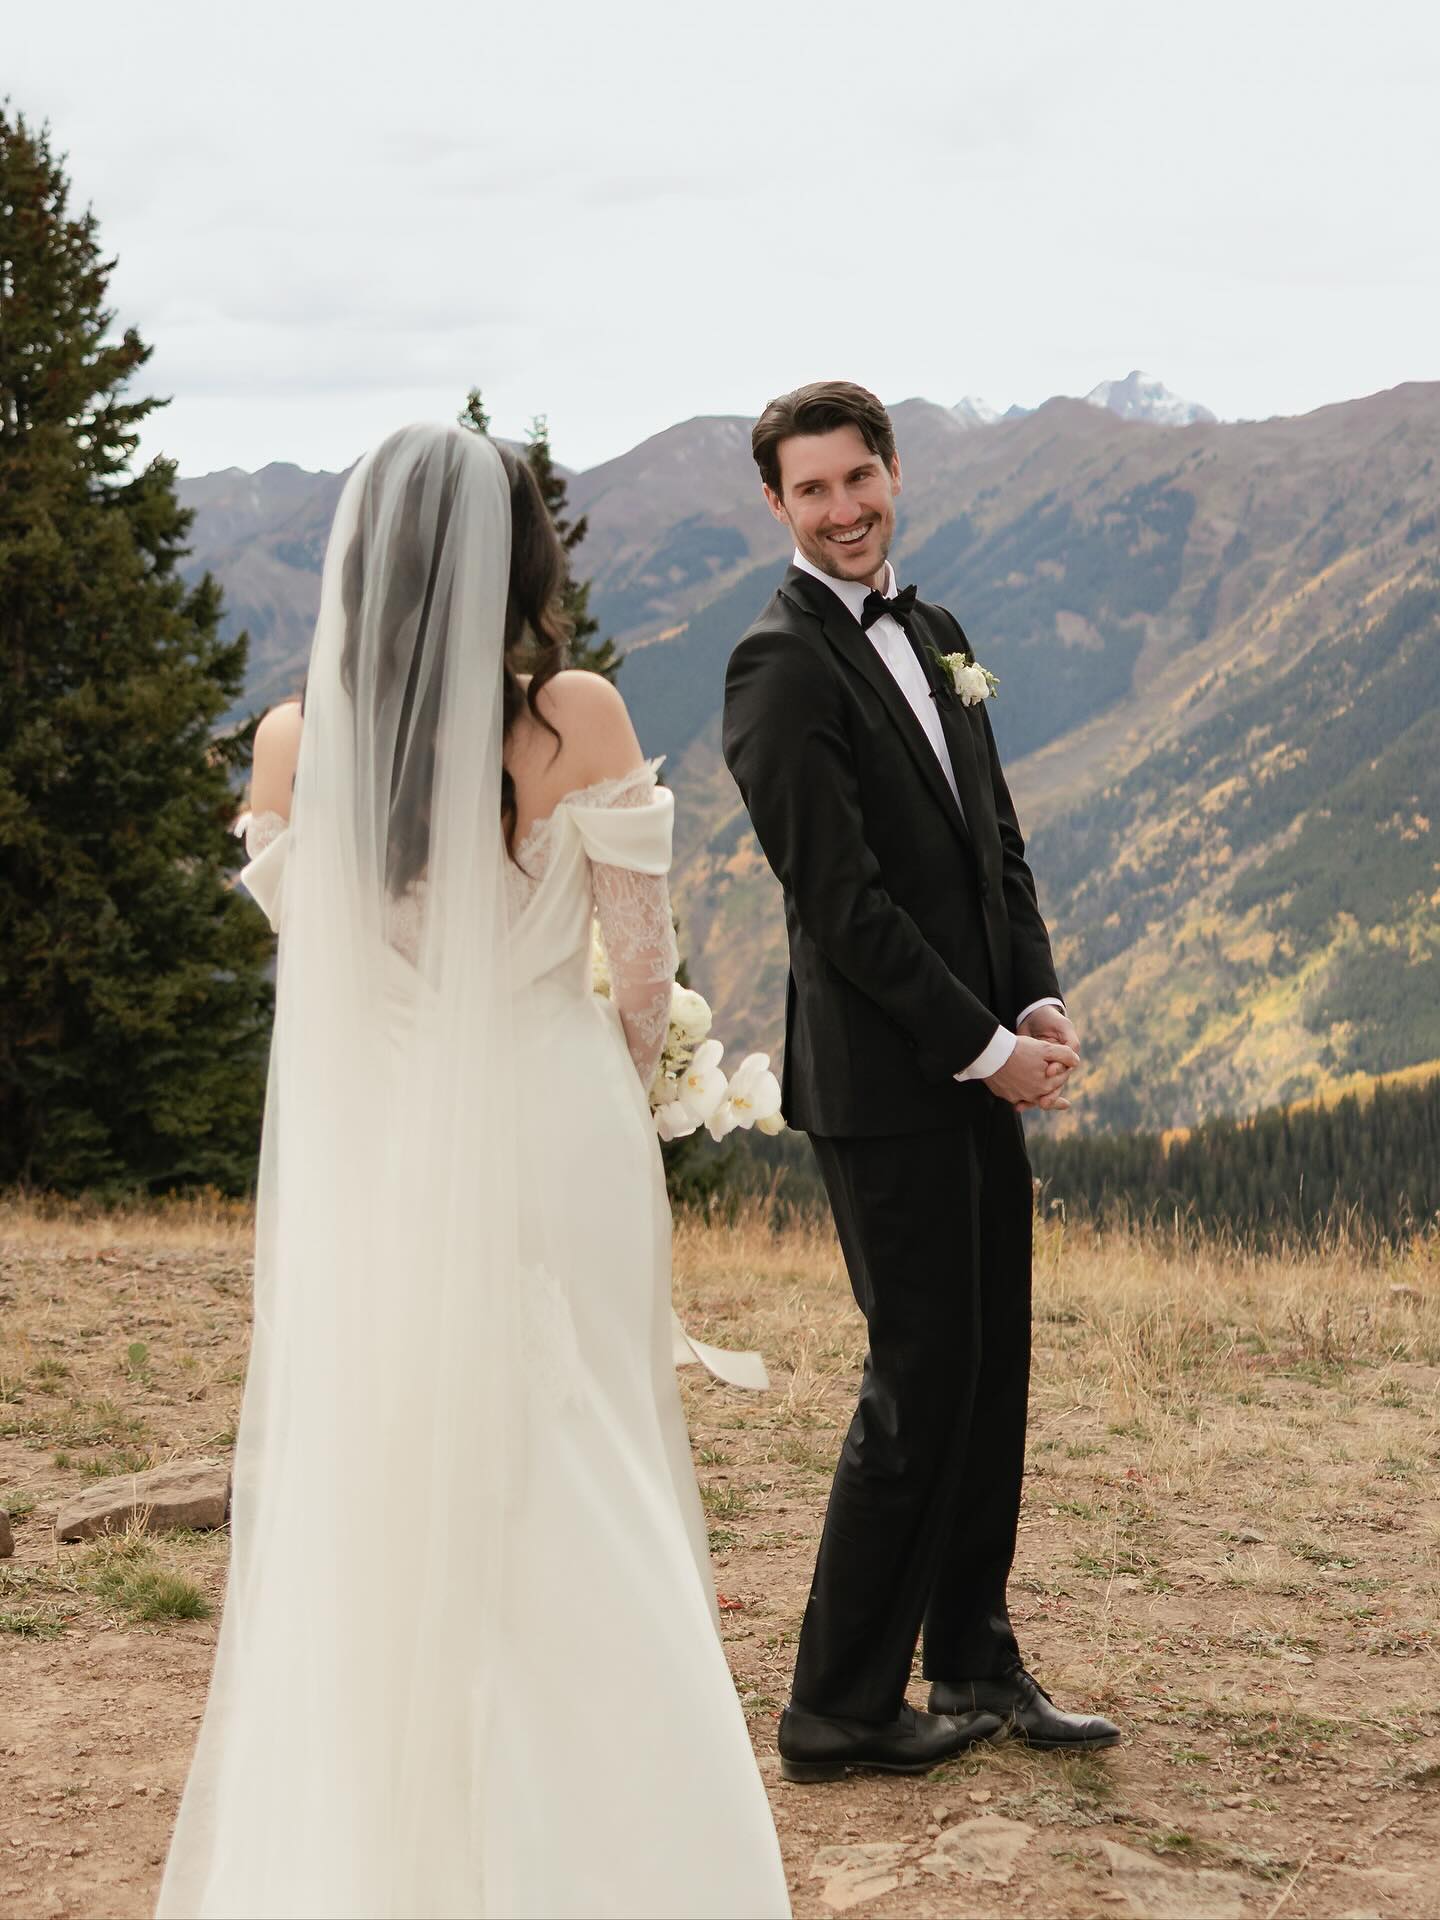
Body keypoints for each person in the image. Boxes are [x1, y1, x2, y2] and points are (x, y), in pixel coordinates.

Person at [158, 424, 790, 1919]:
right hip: (554, 1114)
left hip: (381, 1141)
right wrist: (615, 1094)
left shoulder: (293, 743)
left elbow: (327, 989)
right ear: (521, 555)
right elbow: (641, 977)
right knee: (581, 1445)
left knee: (397, 1453)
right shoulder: (573, 716)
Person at [722, 381, 1120, 1785]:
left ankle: (972, 1658)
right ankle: (837, 1701)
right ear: (775, 505)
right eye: (812, 490)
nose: (842, 509)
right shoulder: (776, 666)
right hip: (885, 1085)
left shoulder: (938, 634)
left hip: (977, 1055)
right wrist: (985, 1050)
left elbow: (989, 842)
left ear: (895, 472)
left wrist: (1038, 995)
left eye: (859, 479)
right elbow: (844, 903)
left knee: (989, 1367)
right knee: (919, 1378)